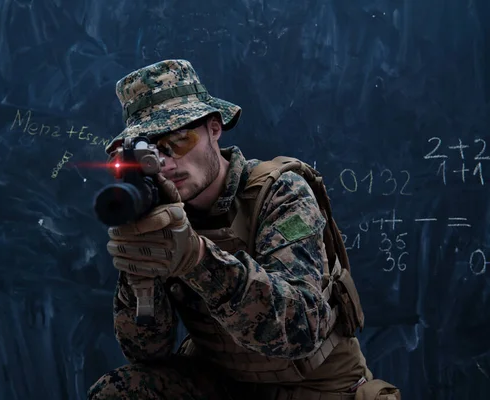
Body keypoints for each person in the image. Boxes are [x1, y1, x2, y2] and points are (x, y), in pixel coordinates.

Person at [87, 59, 400, 400]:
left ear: (214, 127)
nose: (168, 163)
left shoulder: (279, 193)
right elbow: (146, 352)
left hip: (314, 388)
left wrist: (197, 259)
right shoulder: (161, 213)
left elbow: (299, 331)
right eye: (150, 154)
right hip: (225, 384)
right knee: (120, 392)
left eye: (178, 140)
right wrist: (139, 274)